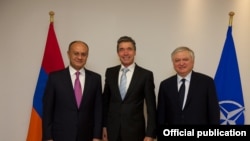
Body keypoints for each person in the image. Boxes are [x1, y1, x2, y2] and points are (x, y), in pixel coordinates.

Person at [42, 40, 102, 141]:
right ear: (68, 54)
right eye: (76, 53)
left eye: (83, 54)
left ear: (87, 56)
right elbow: (48, 109)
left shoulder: (95, 79)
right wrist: (48, 137)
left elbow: (98, 110)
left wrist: (97, 136)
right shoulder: (55, 78)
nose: (80, 57)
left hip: (87, 136)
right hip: (60, 136)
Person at [102, 36, 157, 141]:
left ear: (135, 52)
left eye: (129, 49)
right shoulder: (110, 72)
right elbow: (105, 103)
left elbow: (151, 108)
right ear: (118, 53)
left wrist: (150, 134)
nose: (125, 53)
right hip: (112, 132)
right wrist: (104, 126)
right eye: (121, 49)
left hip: (135, 133)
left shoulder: (145, 75)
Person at [157, 46, 220, 126]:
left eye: (185, 59)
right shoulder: (165, 85)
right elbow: (161, 116)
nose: (181, 63)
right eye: (177, 60)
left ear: (193, 62)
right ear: (173, 63)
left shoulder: (206, 82)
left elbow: (214, 113)